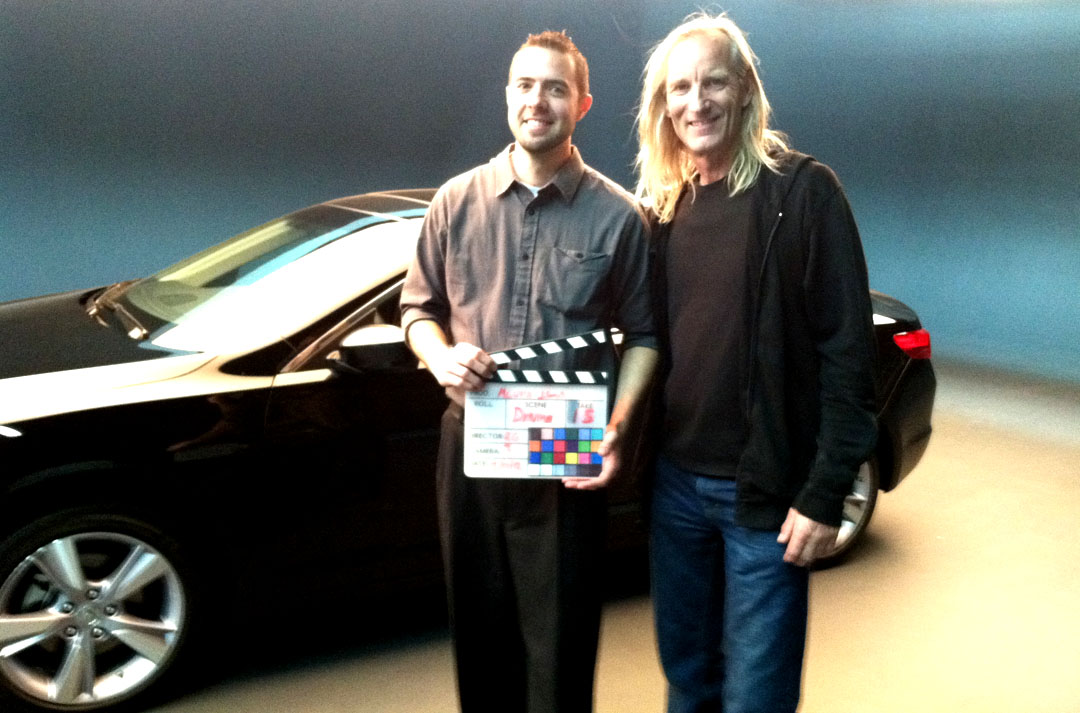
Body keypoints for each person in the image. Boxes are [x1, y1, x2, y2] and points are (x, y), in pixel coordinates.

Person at [400, 30, 658, 713]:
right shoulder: (454, 202)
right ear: (507, 95)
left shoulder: (620, 218)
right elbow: (417, 309)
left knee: (560, 645)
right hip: (474, 445)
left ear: (582, 103)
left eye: (555, 88)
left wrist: (618, 426)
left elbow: (645, 337)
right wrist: (439, 355)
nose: (537, 100)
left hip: (564, 451)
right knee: (480, 637)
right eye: (525, 85)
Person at [634, 13, 878, 713]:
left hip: (764, 500)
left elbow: (848, 355)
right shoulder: (667, 210)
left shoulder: (802, 195)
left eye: (713, 82)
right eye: (681, 88)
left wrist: (824, 492)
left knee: (756, 699)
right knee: (689, 683)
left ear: (744, 89)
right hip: (675, 490)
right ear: (664, 106)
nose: (697, 102)